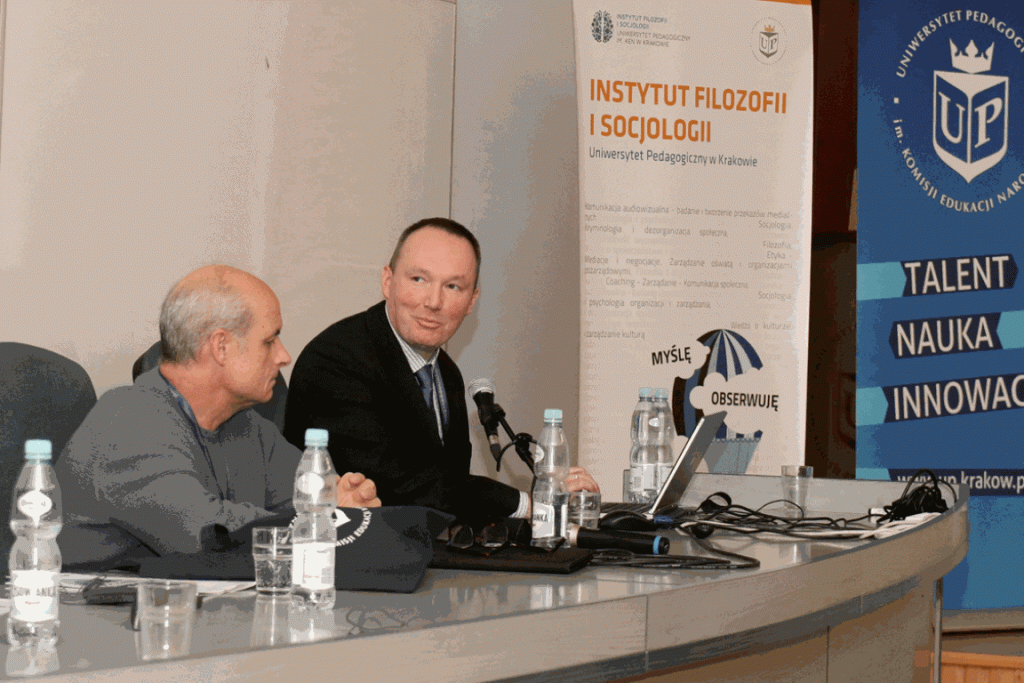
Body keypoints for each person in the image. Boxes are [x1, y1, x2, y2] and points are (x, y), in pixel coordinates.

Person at [56, 266, 380, 568]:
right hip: (96, 608)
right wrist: (324, 518)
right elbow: (208, 536)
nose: (284, 356)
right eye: (269, 341)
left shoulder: (247, 426)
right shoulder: (128, 422)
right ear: (221, 346)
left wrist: (344, 505)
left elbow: (313, 503)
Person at [284, 218, 597, 527]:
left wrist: (545, 496)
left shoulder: (447, 373)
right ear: (388, 282)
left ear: (472, 301)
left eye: (453, 287)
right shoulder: (336, 359)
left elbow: (450, 486)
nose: (434, 302)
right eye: (419, 279)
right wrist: (531, 504)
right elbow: (399, 484)